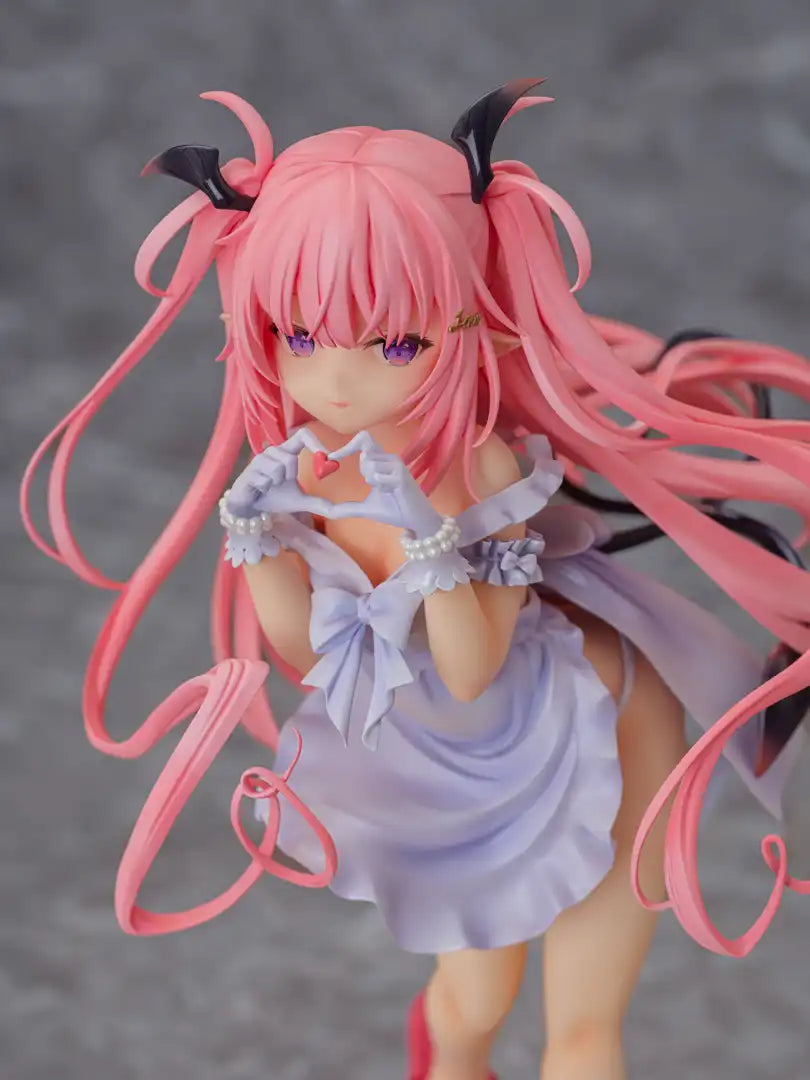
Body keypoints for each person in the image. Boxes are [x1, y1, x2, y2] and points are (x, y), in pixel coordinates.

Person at [21, 81, 810, 1080]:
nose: (337, 379)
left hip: (584, 722)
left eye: (396, 343)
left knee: (584, 1033)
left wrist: (429, 538)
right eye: (299, 337)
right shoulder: (304, 472)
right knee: (471, 1009)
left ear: (467, 326)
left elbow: (475, 665)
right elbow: (310, 654)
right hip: (445, 769)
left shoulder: (478, 467)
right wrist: (256, 536)